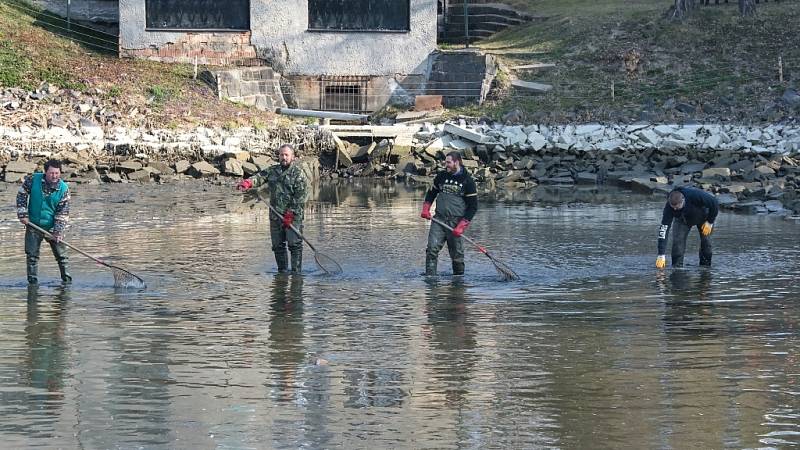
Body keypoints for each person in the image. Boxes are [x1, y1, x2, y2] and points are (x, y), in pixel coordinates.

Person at [236, 144, 308, 273]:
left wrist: (290, 214)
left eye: (286, 155)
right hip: (275, 215)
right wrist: (248, 182)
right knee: (277, 246)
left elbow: (300, 198)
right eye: (281, 155)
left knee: (294, 245)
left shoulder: (299, 175)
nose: (283, 157)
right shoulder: (272, 171)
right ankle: (283, 272)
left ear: (293, 157)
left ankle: (296, 273)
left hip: (293, 217)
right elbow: (259, 177)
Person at [420, 151, 478, 276]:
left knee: (457, 256)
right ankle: (430, 279)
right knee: (431, 250)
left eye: (448, 162)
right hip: (439, 220)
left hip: (456, 222)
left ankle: (458, 282)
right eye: (445, 162)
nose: (446, 165)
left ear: (457, 162)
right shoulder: (441, 176)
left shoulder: (468, 182)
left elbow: (473, 207)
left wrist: (462, 225)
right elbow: (431, 193)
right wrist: (426, 208)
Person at [17, 159, 71, 284]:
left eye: (57, 173)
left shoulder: (64, 189)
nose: (54, 176)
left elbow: (62, 213)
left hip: (53, 226)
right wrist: (22, 214)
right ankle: (32, 283)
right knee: (32, 256)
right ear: (45, 172)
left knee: (62, 257)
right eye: (51, 173)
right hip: (33, 224)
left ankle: (67, 281)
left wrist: (58, 231)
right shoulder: (33, 180)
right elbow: (22, 194)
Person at [656, 186, 719, 269]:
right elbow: (664, 229)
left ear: (683, 200)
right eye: (673, 207)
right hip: (682, 220)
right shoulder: (669, 208)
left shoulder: (694, 195)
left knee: (706, 243)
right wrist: (661, 255)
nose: (674, 209)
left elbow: (714, 203)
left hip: (704, 218)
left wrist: (710, 221)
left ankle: (705, 268)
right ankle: (677, 269)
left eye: (677, 207)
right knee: (678, 243)